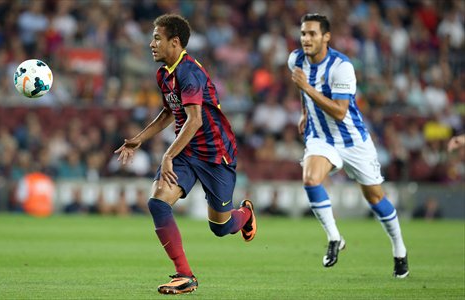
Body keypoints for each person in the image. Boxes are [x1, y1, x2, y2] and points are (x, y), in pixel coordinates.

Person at [114, 14, 257, 295]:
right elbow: (170, 111)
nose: (151, 43)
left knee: (221, 226)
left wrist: (166, 155)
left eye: (157, 38)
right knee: (158, 202)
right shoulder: (163, 73)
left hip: (216, 155)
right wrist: (138, 140)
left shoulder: (188, 73)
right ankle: (185, 276)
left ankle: (245, 214)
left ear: (175, 42)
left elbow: (195, 121)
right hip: (186, 151)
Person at [288, 14, 409, 278]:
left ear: (326, 37)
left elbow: (340, 112)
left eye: (312, 34)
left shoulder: (341, 66)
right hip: (320, 137)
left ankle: (399, 250)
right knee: (310, 178)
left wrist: (307, 89)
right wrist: (304, 112)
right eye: (303, 33)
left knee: (375, 198)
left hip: (353, 141)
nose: (306, 39)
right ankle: (335, 238)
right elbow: (301, 89)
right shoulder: (295, 59)